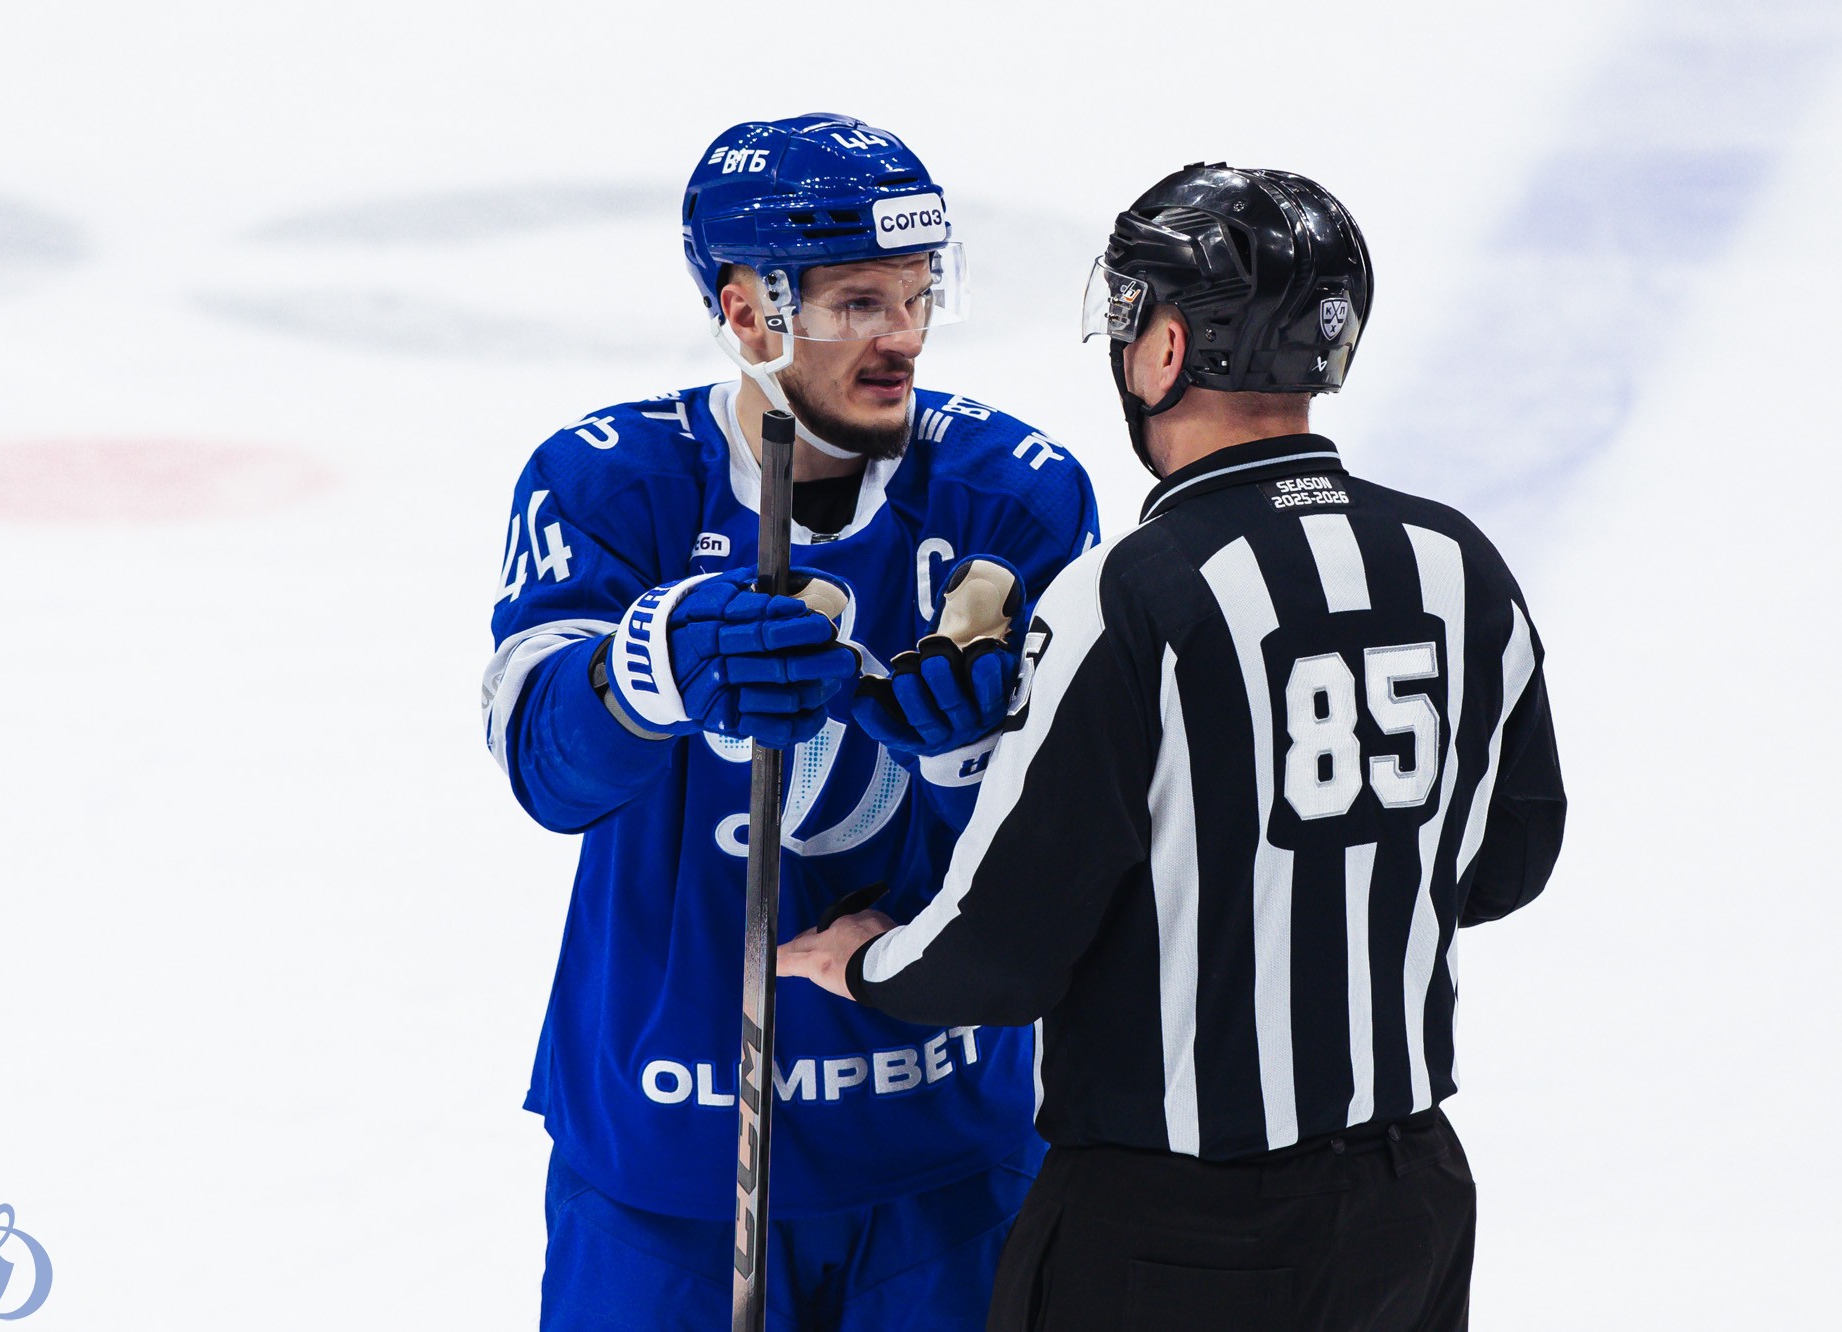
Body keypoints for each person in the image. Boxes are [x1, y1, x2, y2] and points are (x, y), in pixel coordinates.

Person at [780, 164, 1567, 1331]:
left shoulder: (1130, 593)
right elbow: (1507, 860)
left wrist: (862, 962)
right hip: (1407, 1207)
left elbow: (1002, 951)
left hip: (1171, 1225)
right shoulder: (1455, 562)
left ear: (1164, 350)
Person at [480, 113, 1100, 1331]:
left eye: (917, 295)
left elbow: (1083, 843)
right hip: (664, 1157)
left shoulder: (1012, 494)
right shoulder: (608, 482)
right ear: (750, 312)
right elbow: (545, 770)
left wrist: (976, 764)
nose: (903, 336)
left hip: (942, 1150)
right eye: (858, 303)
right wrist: (646, 667)